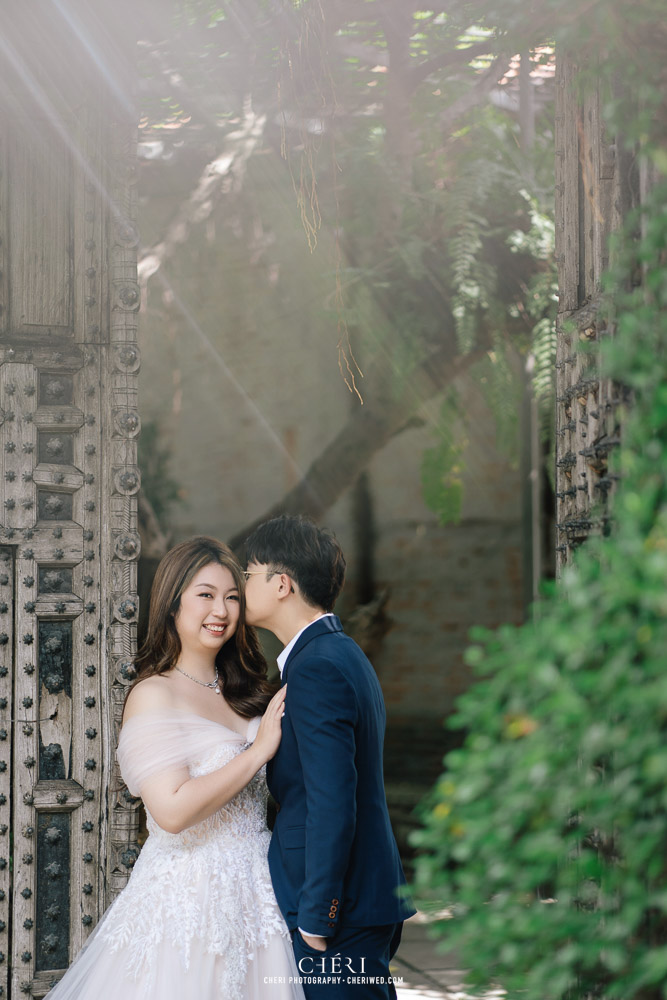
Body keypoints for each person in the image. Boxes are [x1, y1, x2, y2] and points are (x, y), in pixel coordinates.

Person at [46, 536, 305, 1000]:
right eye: (205, 595)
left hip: (259, 895)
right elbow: (171, 811)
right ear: (172, 604)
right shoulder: (153, 694)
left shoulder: (249, 691)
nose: (221, 610)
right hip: (188, 900)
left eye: (231, 597)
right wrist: (256, 752)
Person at [243, 515, 415, 999]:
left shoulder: (317, 667)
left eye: (248, 574)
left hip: (339, 909)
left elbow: (332, 799)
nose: (242, 586)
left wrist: (320, 911)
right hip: (358, 896)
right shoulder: (338, 653)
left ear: (281, 584)